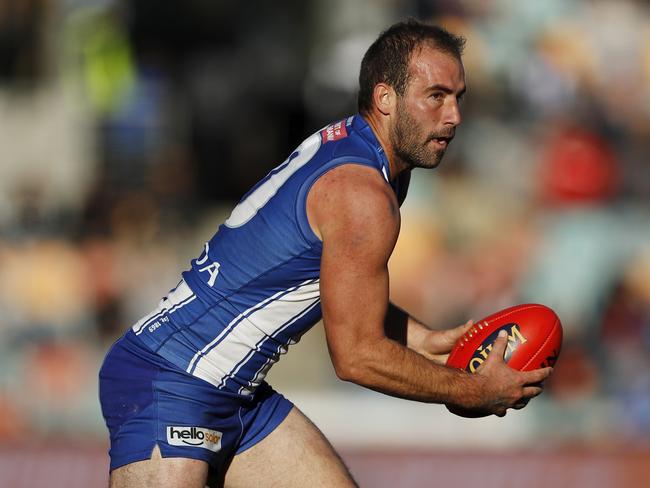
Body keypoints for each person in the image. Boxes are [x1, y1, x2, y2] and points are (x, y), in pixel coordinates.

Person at [99, 19, 553, 487]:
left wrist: (425, 339)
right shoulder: (363, 195)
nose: (454, 115)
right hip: (170, 380)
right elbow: (355, 356)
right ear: (385, 99)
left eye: (459, 97)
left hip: (235, 393)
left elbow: (340, 288)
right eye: (436, 96)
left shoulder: (369, 155)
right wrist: (471, 390)